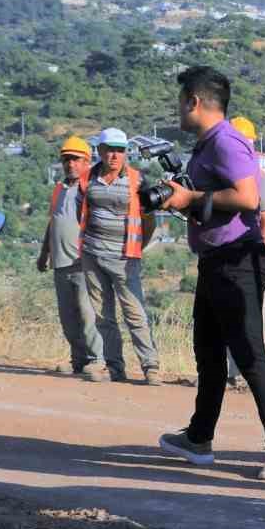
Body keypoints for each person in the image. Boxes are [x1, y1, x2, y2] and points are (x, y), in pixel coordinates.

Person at [157, 66, 265, 481]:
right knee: (209, 354)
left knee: (250, 353)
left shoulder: (225, 140)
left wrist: (192, 197)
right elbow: (214, 201)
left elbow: (248, 196)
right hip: (216, 259)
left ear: (194, 102)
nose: (179, 108)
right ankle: (199, 438)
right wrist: (182, 201)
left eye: (181, 100)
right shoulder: (206, 145)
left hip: (239, 259)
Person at [77, 128, 159, 384]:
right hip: (93, 255)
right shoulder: (86, 179)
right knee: (104, 316)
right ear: (99, 151)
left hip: (125, 259)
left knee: (134, 313)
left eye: (120, 150)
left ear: (126, 153)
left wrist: (137, 249)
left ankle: (151, 366)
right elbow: (80, 212)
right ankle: (114, 367)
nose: (115, 155)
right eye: (110, 149)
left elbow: (150, 221)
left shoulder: (137, 180)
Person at [35, 136, 107, 376]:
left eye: (76, 159)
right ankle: (78, 360)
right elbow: (52, 223)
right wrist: (44, 253)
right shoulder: (59, 189)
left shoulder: (90, 189)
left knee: (89, 315)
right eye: (67, 159)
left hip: (83, 262)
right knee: (68, 318)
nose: (71, 164)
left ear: (87, 161)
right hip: (61, 263)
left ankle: (97, 359)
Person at [225, 116, 265, 381]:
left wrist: (260, 257)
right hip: (226, 257)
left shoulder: (262, 181)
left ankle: (264, 372)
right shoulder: (223, 179)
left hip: (251, 257)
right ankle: (235, 372)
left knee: (256, 317)